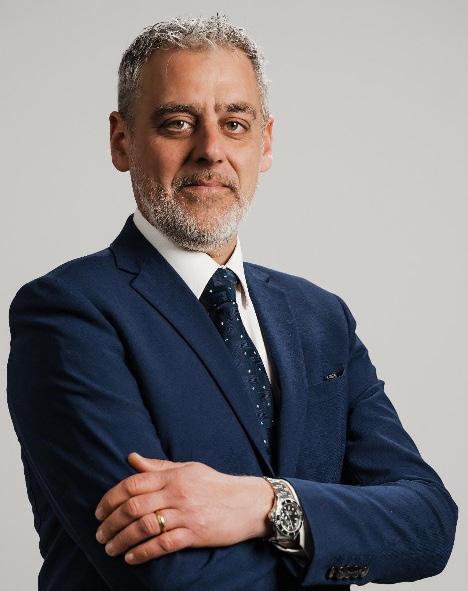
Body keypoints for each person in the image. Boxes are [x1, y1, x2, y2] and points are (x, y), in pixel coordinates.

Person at [7, 14, 457, 591]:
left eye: (235, 124)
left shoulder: (321, 319)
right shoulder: (67, 313)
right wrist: (338, 537)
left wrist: (262, 503)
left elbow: (428, 525)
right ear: (122, 141)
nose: (211, 150)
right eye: (177, 123)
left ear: (264, 143)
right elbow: (167, 576)